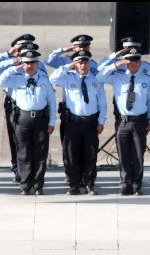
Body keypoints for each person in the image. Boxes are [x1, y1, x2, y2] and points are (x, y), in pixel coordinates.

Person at [97, 47, 150, 196]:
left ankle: (137, 184)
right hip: (123, 122)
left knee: (138, 154)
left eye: (136, 60)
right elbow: (99, 76)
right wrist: (117, 64)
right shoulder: (118, 77)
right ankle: (125, 183)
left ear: (140, 62)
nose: (133, 63)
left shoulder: (146, 79)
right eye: (130, 60)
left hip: (139, 121)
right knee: (123, 155)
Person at [0, 50, 56, 195]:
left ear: (37, 64)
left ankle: (38, 185)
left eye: (32, 63)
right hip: (22, 118)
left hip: (41, 118)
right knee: (23, 152)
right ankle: (25, 184)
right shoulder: (16, 78)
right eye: (26, 63)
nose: (29, 66)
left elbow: (52, 101)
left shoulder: (43, 79)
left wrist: (52, 121)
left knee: (40, 152)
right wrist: (13, 68)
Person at [49, 49, 106, 195]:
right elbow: (53, 79)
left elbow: (102, 103)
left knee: (90, 154)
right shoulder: (68, 78)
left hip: (90, 122)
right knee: (71, 155)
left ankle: (89, 184)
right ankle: (73, 185)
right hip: (72, 122)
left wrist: (101, 121)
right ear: (75, 64)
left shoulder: (95, 80)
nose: (83, 65)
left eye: (85, 62)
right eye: (80, 62)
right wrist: (68, 67)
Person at [0, 34, 37, 183]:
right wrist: (10, 57)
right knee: (15, 139)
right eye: (22, 49)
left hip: (31, 106)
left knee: (31, 141)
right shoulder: (11, 64)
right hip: (13, 105)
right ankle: (17, 168)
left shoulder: (35, 64)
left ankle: (30, 171)